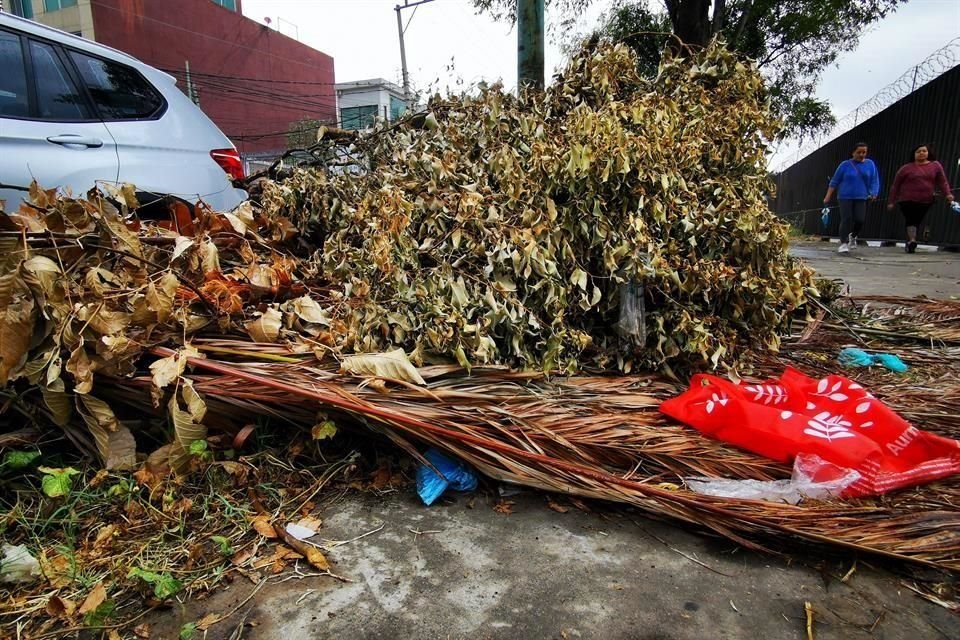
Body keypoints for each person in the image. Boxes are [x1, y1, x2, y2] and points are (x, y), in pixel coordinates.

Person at [887, 144, 955, 253]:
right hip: (906, 199)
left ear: (928, 153)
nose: (922, 153)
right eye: (918, 151)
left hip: (925, 200)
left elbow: (942, 181)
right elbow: (896, 185)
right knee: (911, 219)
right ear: (914, 154)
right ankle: (912, 240)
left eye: (924, 151)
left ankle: (909, 241)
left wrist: (948, 194)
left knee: (917, 220)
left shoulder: (935, 166)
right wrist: (891, 201)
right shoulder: (906, 168)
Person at [823, 142, 880, 253]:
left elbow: (874, 180)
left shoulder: (870, 164)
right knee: (846, 218)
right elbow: (834, 181)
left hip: (861, 196)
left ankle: (853, 236)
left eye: (864, 152)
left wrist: (874, 192)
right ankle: (843, 243)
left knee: (860, 219)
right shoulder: (845, 165)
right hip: (845, 196)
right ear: (853, 152)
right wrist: (827, 196)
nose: (861, 154)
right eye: (859, 152)